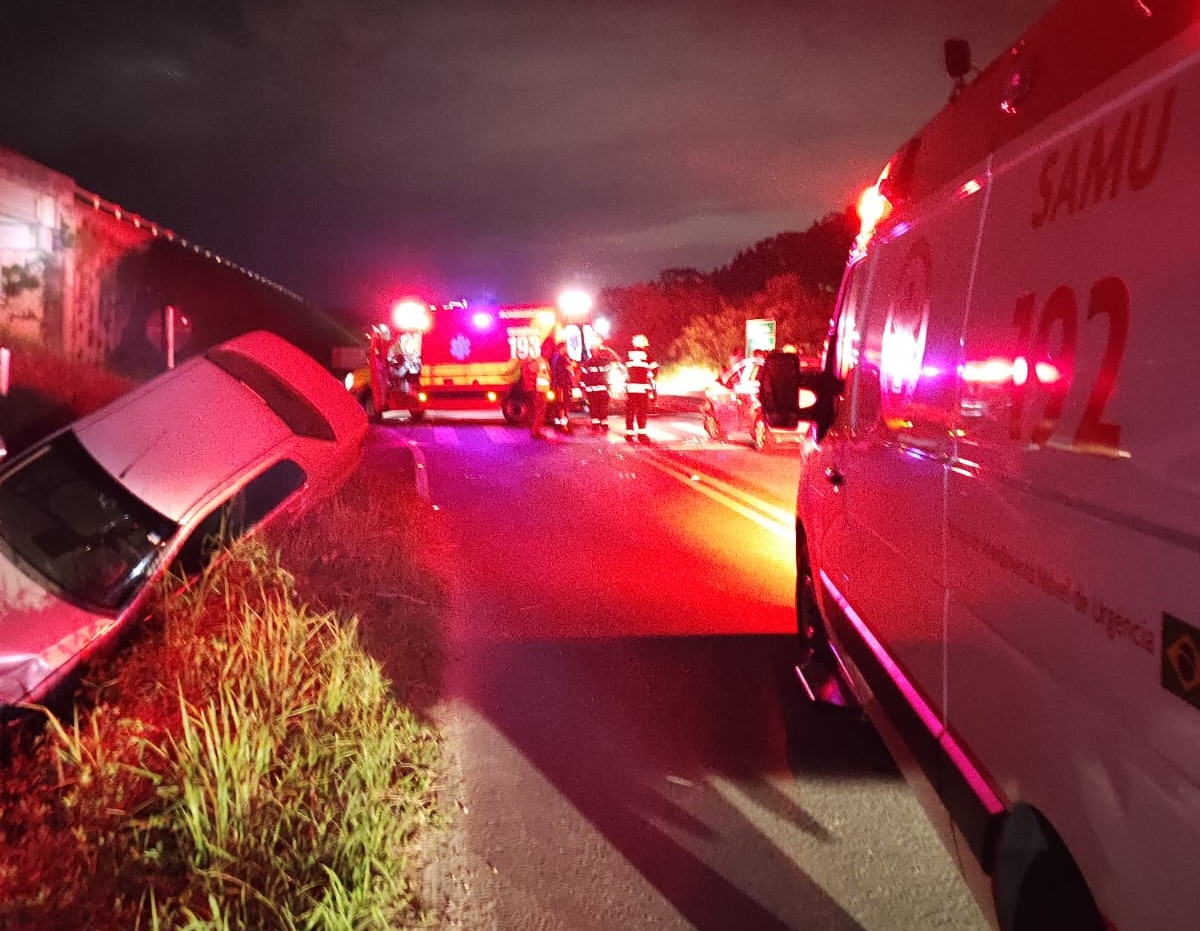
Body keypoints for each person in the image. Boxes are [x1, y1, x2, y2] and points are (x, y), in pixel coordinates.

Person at [579, 338, 619, 432]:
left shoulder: (602, 362)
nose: (594, 352)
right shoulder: (588, 364)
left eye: (596, 350)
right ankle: (596, 425)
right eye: (593, 351)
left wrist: (609, 386)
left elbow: (609, 375)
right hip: (594, 390)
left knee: (603, 408)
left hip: (600, 390)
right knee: (594, 408)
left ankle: (603, 424)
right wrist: (583, 389)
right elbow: (583, 378)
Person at [623, 333, 657, 443]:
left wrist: (626, 382)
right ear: (643, 345)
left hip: (631, 389)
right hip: (643, 389)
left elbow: (622, 369)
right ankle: (642, 435)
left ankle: (629, 434)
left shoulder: (627, 355)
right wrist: (650, 377)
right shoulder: (647, 356)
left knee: (630, 411)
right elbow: (655, 369)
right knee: (642, 412)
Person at [521, 350, 551, 438]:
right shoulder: (536, 361)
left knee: (541, 411)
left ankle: (537, 430)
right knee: (538, 411)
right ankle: (535, 431)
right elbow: (532, 372)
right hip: (538, 390)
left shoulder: (543, 361)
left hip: (542, 389)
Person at [549, 340, 575, 433]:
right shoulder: (558, 358)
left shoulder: (563, 357)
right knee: (561, 405)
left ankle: (561, 425)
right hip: (561, 385)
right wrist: (568, 366)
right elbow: (560, 371)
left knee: (564, 405)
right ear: (562, 348)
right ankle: (563, 426)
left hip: (564, 385)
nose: (567, 349)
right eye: (565, 347)